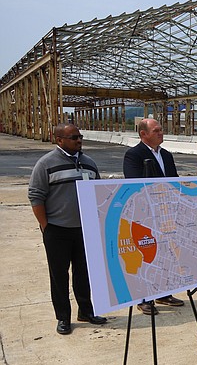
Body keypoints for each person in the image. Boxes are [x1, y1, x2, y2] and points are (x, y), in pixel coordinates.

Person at [28, 123, 108, 334]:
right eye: (73, 137)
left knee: (84, 273)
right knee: (59, 275)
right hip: (57, 230)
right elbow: (36, 196)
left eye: (80, 136)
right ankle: (63, 317)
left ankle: (86, 311)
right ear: (59, 140)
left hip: (84, 230)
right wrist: (46, 226)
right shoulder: (46, 164)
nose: (78, 140)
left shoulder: (89, 164)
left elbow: (98, 194)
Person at [122, 118, 185, 314]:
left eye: (161, 130)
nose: (160, 133)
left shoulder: (166, 155)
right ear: (143, 134)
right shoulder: (133, 155)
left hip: (166, 214)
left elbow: (173, 181)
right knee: (146, 256)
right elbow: (134, 184)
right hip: (145, 215)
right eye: (156, 130)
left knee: (165, 255)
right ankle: (144, 297)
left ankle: (163, 292)